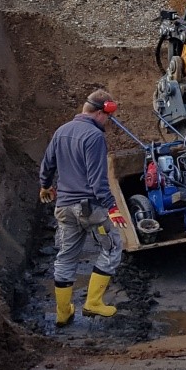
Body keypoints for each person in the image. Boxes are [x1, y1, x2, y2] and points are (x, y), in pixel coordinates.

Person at [38, 89, 129, 325]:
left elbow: (47, 165)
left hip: (64, 207)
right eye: (107, 117)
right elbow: (97, 180)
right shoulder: (94, 137)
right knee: (112, 247)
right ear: (100, 112)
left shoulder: (61, 131)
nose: (108, 122)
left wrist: (46, 186)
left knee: (66, 256)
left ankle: (62, 312)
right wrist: (112, 207)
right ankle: (93, 303)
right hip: (90, 209)